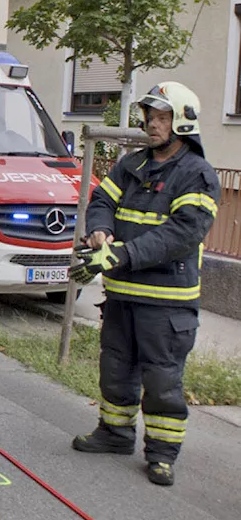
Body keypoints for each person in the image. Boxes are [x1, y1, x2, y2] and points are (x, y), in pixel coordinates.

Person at [69, 81, 220, 487]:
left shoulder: (197, 175)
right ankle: (114, 434)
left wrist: (124, 255)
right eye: (150, 117)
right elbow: (102, 201)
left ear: (182, 121)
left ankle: (162, 454)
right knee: (115, 368)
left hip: (167, 303)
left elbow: (182, 234)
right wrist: (100, 232)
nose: (152, 125)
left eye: (162, 118)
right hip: (122, 295)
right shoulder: (133, 165)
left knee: (162, 380)